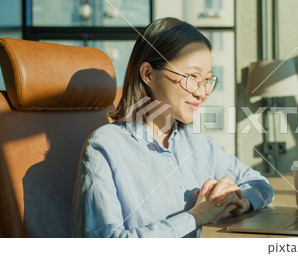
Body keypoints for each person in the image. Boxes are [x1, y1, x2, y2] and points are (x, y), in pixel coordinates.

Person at [71, 17, 274, 238]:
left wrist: (241, 201)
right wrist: (196, 216)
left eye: (207, 79)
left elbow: (259, 183)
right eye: (192, 76)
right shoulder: (105, 147)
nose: (203, 92)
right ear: (148, 74)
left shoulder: (197, 142)